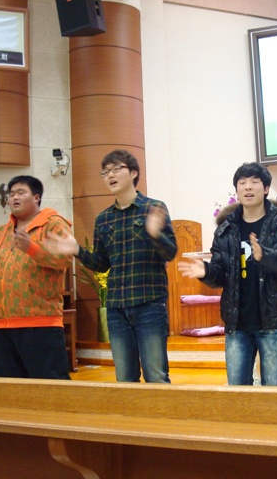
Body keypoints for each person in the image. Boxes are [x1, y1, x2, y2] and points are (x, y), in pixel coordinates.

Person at [45, 150, 177, 383]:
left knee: (156, 375)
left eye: (116, 169)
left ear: (133, 173)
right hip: (117, 308)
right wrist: (77, 250)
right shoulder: (103, 219)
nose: (110, 176)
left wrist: (155, 234)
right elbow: (102, 263)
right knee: (124, 378)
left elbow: (170, 252)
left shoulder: (154, 208)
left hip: (149, 304)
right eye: (105, 172)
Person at [178, 162, 277, 386]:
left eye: (255, 182)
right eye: (242, 183)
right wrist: (206, 271)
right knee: (237, 389)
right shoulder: (226, 228)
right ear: (236, 190)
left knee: (273, 388)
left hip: (273, 320)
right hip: (237, 323)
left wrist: (265, 255)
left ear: (266, 188)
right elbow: (220, 275)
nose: (248, 187)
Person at [0, 175, 72, 379]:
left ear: (36, 197)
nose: (14, 197)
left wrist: (32, 248)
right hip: (1, 325)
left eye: (21, 192)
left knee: (50, 389)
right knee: (10, 389)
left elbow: (64, 259)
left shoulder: (53, 225)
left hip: (40, 324)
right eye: (11, 194)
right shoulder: (1, 233)